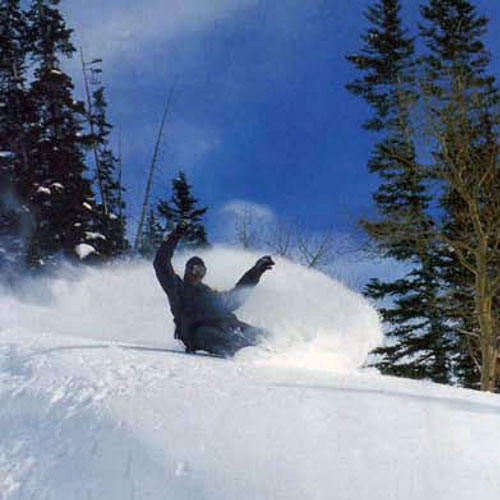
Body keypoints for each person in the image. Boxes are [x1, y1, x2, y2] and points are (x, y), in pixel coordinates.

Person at [153, 222, 274, 357]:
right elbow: (161, 263)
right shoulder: (177, 287)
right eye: (196, 270)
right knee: (222, 339)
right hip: (197, 331)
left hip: (225, 324)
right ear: (188, 270)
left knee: (262, 336)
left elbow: (235, 297)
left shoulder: (208, 292)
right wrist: (175, 235)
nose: (199, 274)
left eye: (202, 271)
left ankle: (280, 349)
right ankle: (249, 354)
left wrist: (256, 271)